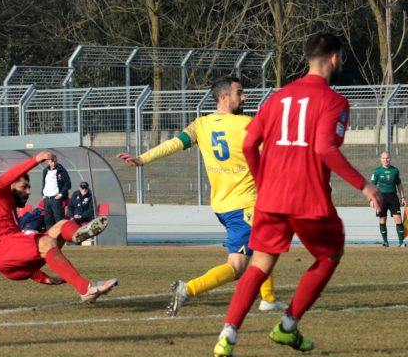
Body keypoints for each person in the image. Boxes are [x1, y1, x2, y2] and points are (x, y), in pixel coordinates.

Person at [212, 33, 382, 357]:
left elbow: (249, 145)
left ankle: (227, 334)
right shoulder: (334, 102)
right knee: (329, 256)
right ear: (334, 59)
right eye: (342, 58)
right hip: (308, 198)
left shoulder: (276, 99)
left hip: (271, 198)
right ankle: (287, 326)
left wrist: (264, 182)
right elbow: (323, 147)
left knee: (260, 263)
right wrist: (365, 185)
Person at [117, 76, 285, 317]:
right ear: (224, 97)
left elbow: (174, 144)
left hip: (222, 205)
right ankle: (188, 289)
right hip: (245, 205)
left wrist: (143, 158)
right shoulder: (249, 124)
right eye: (240, 93)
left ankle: (268, 299)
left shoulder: (201, 124)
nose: (245, 97)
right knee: (238, 266)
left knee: (264, 246)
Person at [0, 150, 117, 302]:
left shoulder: (8, 208)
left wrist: (43, 278)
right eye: (24, 187)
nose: (29, 191)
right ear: (10, 185)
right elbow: (9, 175)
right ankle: (85, 288)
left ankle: (77, 234)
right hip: (0, 251)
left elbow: (20, 252)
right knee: (45, 241)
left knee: (61, 225)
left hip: (16, 264)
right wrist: (37, 159)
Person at [371, 151, 407, 247]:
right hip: (381, 198)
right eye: (383, 158)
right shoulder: (377, 171)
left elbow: (399, 184)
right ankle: (385, 242)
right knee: (382, 219)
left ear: (390, 158)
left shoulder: (395, 170)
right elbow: (372, 186)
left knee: (398, 219)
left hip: (393, 198)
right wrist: (372, 199)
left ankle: (401, 242)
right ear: (380, 159)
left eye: (387, 158)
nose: (386, 160)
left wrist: (402, 197)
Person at [41, 155, 71, 230]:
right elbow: (44, 183)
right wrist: (43, 193)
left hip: (56, 198)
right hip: (47, 198)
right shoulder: (45, 171)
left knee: (59, 219)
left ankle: (61, 237)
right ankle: (50, 236)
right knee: (48, 219)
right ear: (48, 162)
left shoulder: (61, 170)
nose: (54, 163)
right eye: (52, 161)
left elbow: (67, 184)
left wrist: (61, 194)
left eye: (55, 161)